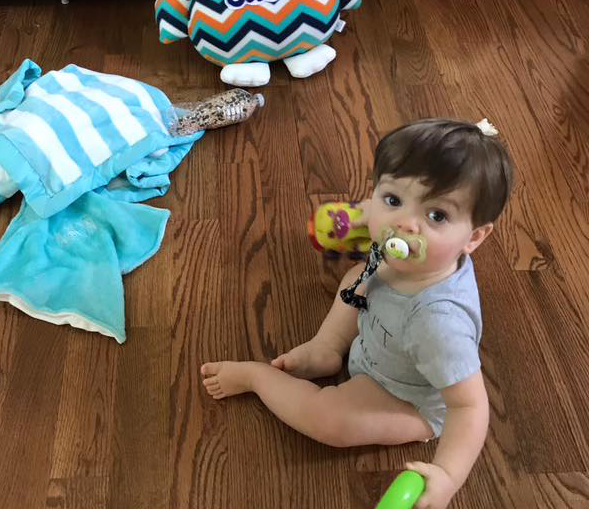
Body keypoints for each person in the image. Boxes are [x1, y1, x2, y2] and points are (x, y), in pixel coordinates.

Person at [201, 118, 513, 509]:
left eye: (436, 215)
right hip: (384, 335)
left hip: (406, 396)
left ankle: (257, 378)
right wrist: (357, 220)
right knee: (358, 275)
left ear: (474, 237)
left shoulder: (440, 325)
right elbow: (368, 218)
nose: (404, 223)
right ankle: (328, 345)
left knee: (330, 421)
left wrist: (448, 475)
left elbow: (468, 406)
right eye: (393, 200)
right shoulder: (411, 253)